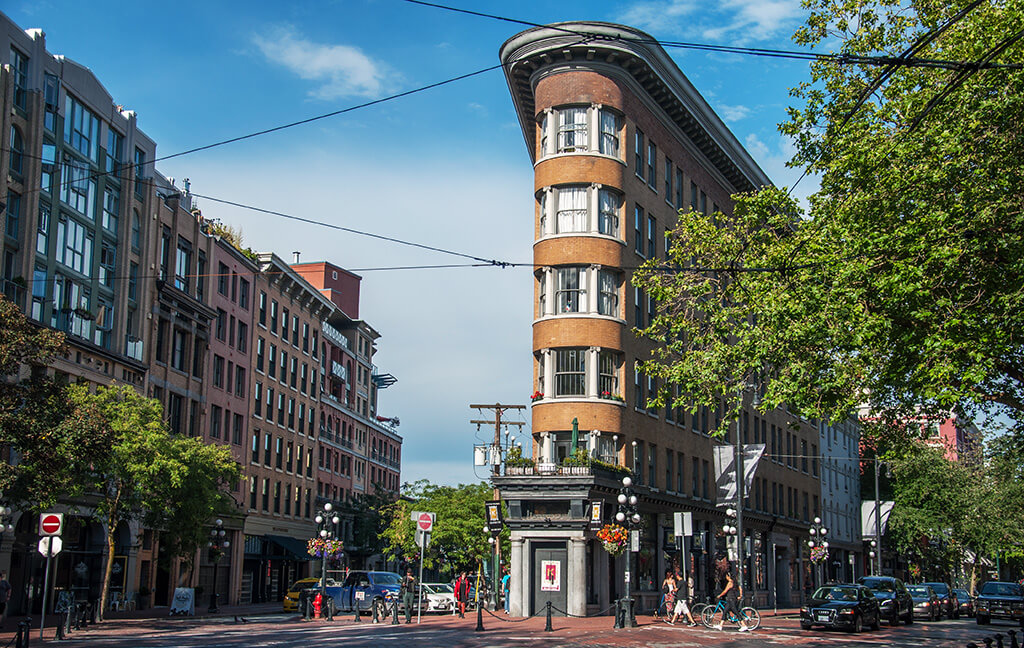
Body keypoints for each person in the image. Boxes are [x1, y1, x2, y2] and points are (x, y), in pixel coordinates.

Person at [714, 559, 750, 632]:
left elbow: (725, 591)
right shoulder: (735, 582)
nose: (726, 577)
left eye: (727, 576)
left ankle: (744, 625)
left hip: (731, 599)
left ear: (729, 577)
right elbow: (740, 588)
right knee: (725, 611)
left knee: (736, 612)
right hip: (731, 599)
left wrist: (719, 595)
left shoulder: (730, 583)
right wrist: (740, 595)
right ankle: (720, 625)